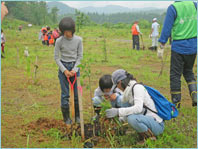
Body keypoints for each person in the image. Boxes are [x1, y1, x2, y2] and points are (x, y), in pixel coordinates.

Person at [105, 69, 164, 144]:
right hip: (147, 119)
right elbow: (130, 110)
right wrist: (120, 120)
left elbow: (138, 109)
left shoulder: (137, 88)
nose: (117, 88)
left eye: (116, 85)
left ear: (120, 82)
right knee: (126, 108)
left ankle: (149, 137)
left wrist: (118, 112)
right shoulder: (129, 90)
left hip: (157, 125)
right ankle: (142, 133)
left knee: (132, 119)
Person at [158, 1, 197, 108]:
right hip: (193, 46)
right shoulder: (194, 5)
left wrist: (162, 44)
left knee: (175, 75)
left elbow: (167, 28)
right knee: (189, 71)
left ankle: (176, 103)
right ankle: (195, 96)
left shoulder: (173, 8)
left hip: (179, 48)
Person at [54, 17, 83, 124]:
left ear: (73, 30)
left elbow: (80, 57)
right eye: (64, 31)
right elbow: (56, 58)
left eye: (69, 31)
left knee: (76, 94)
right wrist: (64, 70)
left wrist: (74, 70)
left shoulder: (79, 40)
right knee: (65, 95)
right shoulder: (59, 41)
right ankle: (66, 118)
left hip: (75, 67)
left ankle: (78, 116)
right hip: (63, 68)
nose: (67, 34)